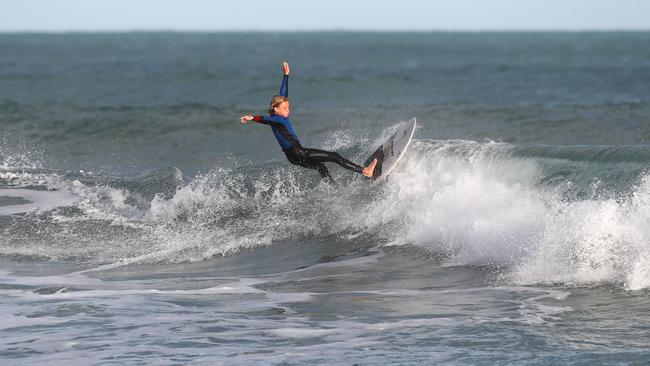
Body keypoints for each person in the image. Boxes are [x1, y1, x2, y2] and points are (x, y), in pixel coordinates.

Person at [240, 62, 377, 184]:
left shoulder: (278, 117)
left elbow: (283, 95)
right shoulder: (276, 119)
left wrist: (286, 75)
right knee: (334, 156)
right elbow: (265, 119)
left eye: (288, 107)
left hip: (292, 157)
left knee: (321, 167)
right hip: (298, 152)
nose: (288, 109)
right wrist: (252, 117)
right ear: (276, 109)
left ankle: (333, 189)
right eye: (285, 108)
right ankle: (365, 171)